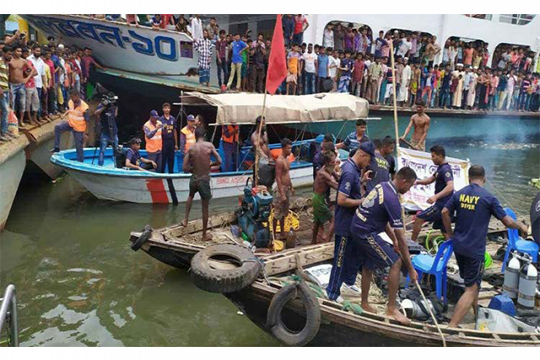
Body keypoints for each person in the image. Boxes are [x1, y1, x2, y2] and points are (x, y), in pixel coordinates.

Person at [442, 165, 528, 328]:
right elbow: (507, 221)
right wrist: (522, 227)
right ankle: (452, 326)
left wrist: (449, 233)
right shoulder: (488, 197)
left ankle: (476, 314)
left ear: (468, 178)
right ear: (484, 178)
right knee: (471, 289)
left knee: (473, 284)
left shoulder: (459, 194)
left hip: (459, 247)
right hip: (475, 249)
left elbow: (444, 212)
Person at [349, 167, 418, 324]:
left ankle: (364, 302)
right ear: (404, 181)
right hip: (365, 232)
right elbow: (402, 239)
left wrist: (392, 239)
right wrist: (411, 269)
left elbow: (382, 218)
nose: (409, 189)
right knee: (396, 262)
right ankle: (392, 308)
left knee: (369, 265)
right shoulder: (392, 199)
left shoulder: (383, 185)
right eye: (410, 186)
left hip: (359, 226)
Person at [326, 142, 375, 302]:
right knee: (340, 258)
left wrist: (361, 182)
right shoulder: (348, 171)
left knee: (354, 254)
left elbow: (351, 190)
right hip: (344, 224)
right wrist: (362, 201)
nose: (367, 164)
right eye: (368, 161)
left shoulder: (354, 171)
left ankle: (348, 282)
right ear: (363, 155)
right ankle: (332, 292)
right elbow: (341, 200)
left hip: (353, 223)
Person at [182, 127, 222, 241]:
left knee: (190, 195)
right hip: (204, 179)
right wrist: (210, 165)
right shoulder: (209, 146)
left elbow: (184, 167)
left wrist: (193, 170)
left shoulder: (191, 148)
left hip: (194, 178)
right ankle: (204, 235)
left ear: (195, 135)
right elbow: (220, 161)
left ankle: (185, 220)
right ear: (203, 135)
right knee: (205, 208)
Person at [411, 145, 454, 243]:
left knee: (419, 218)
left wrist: (436, 196)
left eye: (433, 156)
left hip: (442, 205)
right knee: (445, 231)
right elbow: (430, 179)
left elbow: (450, 186)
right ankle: (452, 250)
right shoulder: (440, 168)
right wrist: (417, 182)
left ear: (440, 156)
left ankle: (411, 243)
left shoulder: (445, 170)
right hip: (443, 205)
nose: (432, 158)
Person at [53, 89, 88, 162]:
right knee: (58, 127)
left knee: (79, 146)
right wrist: (65, 114)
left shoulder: (84, 107)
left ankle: (80, 161)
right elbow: (70, 109)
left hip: (79, 128)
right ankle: (56, 147)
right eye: (71, 97)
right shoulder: (71, 102)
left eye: (73, 97)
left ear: (77, 96)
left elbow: (87, 120)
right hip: (70, 123)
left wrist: (85, 133)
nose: (71, 99)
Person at [312, 150, 339, 244]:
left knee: (318, 221)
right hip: (317, 199)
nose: (334, 164)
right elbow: (336, 186)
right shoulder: (323, 174)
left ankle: (313, 241)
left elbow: (337, 177)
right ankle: (327, 241)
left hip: (320, 197)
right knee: (334, 220)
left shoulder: (328, 168)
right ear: (327, 163)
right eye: (332, 162)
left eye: (334, 161)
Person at [273, 138, 295, 241]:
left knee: (284, 213)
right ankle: (273, 235)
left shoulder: (287, 159)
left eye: (291, 148)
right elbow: (278, 177)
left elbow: (287, 174)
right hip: (281, 189)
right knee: (277, 213)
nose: (290, 150)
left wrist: (291, 186)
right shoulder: (279, 161)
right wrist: (282, 194)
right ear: (283, 148)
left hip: (286, 187)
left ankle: (282, 232)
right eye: (288, 148)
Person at [9, 44, 35, 128]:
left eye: (20, 51)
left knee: (22, 103)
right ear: (13, 51)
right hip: (12, 84)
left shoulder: (23, 61)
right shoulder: (10, 61)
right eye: (18, 51)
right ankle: (13, 121)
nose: (19, 53)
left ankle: (21, 120)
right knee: (12, 103)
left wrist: (26, 79)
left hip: (21, 84)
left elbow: (32, 70)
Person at [95, 92, 119, 166]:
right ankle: (100, 165)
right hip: (105, 132)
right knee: (102, 150)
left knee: (116, 150)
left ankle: (116, 165)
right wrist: (105, 107)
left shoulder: (115, 106)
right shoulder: (102, 105)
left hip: (114, 132)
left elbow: (115, 115)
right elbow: (96, 113)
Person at [0, 47, 14, 141]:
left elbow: (6, 77)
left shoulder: (7, 64)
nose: (10, 56)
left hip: (6, 89)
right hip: (1, 90)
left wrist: (9, 89)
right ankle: (3, 133)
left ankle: (4, 131)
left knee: (6, 111)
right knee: (5, 110)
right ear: (3, 53)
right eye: (9, 54)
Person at [160, 102, 178, 173]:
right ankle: (162, 173)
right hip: (164, 141)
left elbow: (175, 131)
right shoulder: (160, 119)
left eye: (168, 108)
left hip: (171, 141)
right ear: (163, 109)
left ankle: (171, 173)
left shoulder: (173, 119)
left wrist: (176, 144)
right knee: (163, 158)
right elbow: (159, 132)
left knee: (171, 158)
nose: (167, 109)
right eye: (165, 108)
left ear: (170, 109)